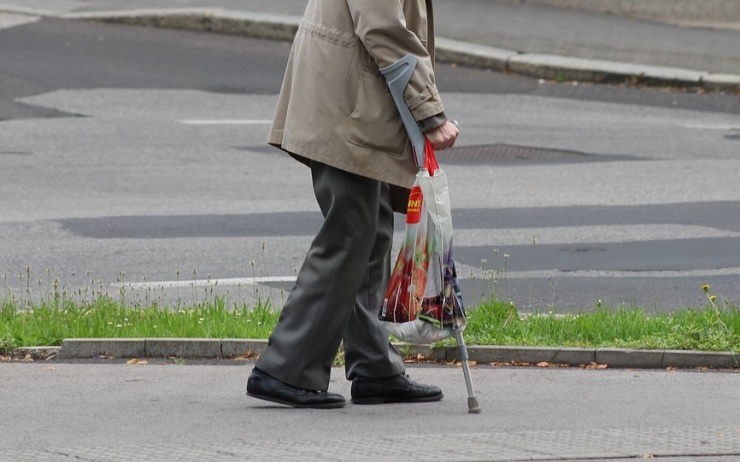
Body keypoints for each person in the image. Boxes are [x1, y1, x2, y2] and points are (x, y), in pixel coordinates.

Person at [246, 0, 459, 409]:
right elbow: (382, 28)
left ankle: (375, 365)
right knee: (351, 230)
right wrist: (430, 112)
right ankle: (286, 368)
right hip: (346, 100)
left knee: (372, 228)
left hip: (355, 98)